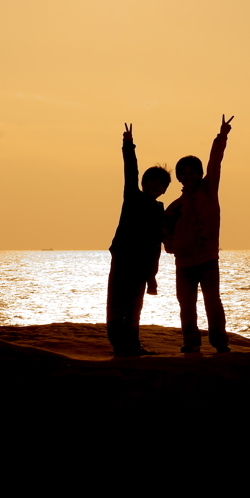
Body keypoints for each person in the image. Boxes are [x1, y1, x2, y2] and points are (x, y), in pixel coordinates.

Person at [163, 115, 233, 354]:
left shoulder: (208, 190)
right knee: (186, 304)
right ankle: (191, 341)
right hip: (183, 263)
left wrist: (221, 136)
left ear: (200, 174)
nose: (189, 176)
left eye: (194, 172)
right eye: (184, 173)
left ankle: (220, 341)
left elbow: (215, 162)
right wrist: (170, 244)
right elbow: (164, 229)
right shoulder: (175, 206)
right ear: (179, 177)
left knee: (213, 302)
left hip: (207, 260)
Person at [106, 123, 171, 357]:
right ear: (143, 183)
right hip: (124, 258)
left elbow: (158, 242)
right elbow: (130, 170)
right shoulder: (132, 196)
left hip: (142, 265)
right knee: (117, 302)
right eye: (151, 181)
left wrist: (152, 274)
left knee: (135, 307)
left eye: (160, 184)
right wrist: (128, 145)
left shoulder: (160, 209)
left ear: (164, 190)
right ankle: (118, 344)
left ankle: (133, 344)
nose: (155, 185)